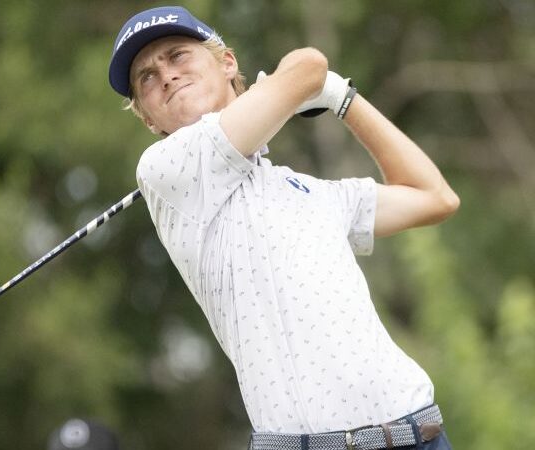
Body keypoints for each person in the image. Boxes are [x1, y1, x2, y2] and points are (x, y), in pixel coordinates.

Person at [108, 6, 459, 450]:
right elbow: (309, 64)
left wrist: (343, 99)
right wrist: (302, 84)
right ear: (150, 120)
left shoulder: (306, 190)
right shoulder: (165, 170)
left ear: (227, 62)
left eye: (177, 56)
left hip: (419, 431)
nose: (166, 76)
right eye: (147, 78)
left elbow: (435, 197)